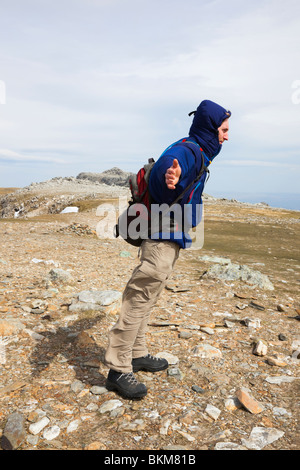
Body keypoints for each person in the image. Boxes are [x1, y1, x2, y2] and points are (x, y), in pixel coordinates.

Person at [105, 100, 231, 398]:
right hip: (160, 236)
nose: (227, 137)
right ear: (211, 129)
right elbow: (167, 168)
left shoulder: (195, 148)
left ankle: (136, 354)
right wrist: (169, 179)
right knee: (140, 296)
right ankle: (118, 369)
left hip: (169, 234)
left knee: (149, 294)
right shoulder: (186, 152)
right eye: (224, 130)